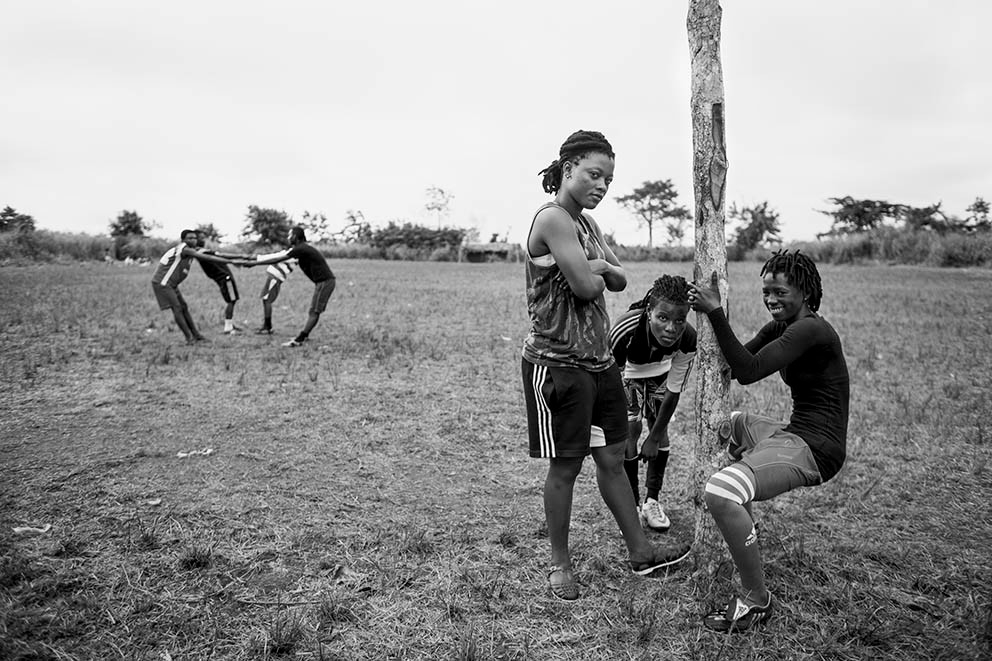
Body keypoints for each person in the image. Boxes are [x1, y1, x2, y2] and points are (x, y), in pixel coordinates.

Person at [521, 130, 690, 601]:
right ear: (568, 167)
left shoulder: (587, 224)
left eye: (609, 178)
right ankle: (559, 564)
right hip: (558, 364)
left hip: (599, 363)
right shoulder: (554, 219)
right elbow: (587, 287)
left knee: (613, 459)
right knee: (566, 466)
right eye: (594, 174)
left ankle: (640, 552)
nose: (601, 185)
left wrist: (594, 264)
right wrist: (594, 268)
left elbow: (619, 279)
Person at [687, 249, 849, 633]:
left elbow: (747, 370)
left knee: (721, 491)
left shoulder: (811, 329)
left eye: (781, 292)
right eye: (767, 292)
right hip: (793, 433)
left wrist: (715, 311)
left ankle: (756, 599)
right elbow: (736, 355)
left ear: (806, 292)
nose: (772, 300)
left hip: (815, 450)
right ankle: (743, 520)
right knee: (725, 423)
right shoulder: (784, 326)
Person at [609, 275, 696, 532]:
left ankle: (652, 501)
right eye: (663, 318)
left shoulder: (689, 339)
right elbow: (612, 378)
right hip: (628, 372)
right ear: (649, 312)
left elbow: (674, 389)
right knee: (631, 430)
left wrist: (655, 437)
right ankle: (632, 504)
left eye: (679, 320)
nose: (671, 328)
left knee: (660, 429)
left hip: (661, 372)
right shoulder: (624, 331)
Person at [246, 226, 335, 346]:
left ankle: (300, 339)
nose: (288, 238)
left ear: (296, 237)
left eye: (290, 235)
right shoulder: (301, 248)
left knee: (314, 311)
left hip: (325, 282)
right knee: (313, 311)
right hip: (323, 282)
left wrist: (253, 263)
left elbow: (277, 259)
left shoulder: (300, 249)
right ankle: (303, 336)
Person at [151, 229, 237, 344]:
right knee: (177, 308)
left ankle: (196, 335)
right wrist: (231, 262)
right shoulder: (184, 249)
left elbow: (213, 254)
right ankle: (189, 338)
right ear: (183, 240)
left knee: (184, 307)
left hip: (172, 284)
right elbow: (208, 258)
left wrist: (243, 259)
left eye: (194, 238)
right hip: (163, 283)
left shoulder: (193, 249)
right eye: (190, 238)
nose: (193, 240)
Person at [194, 231, 250, 334]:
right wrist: (241, 257)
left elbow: (221, 258)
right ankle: (228, 327)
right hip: (225, 278)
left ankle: (230, 324)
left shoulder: (201, 252)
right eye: (200, 238)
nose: (203, 240)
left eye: (203, 238)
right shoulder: (202, 252)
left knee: (232, 300)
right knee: (231, 300)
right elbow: (223, 255)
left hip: (223, 278)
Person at [253, 256, 297, 335]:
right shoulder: (293, 253)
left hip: (275, 277)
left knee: (267, 300)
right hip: (275, 276)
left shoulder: (293, 254)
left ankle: (267, 327)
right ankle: (267, 325)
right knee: (266, 299)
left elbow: (276, 258)